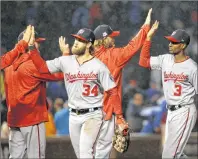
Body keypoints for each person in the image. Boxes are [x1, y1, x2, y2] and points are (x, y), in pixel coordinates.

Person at [29, 27, 121, 158]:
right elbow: (42, 68)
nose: (76, 42)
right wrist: (32, 48)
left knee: (85, 153)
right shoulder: (66, 61)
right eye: (76, 39)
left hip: (93, 114)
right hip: (73, 116)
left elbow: (113, 91)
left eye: (81, 40)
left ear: (89, 44)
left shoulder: (99, 66)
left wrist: (120, 117)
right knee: (81, 155)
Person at [88, 8, 152, 158]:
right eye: (111, 37)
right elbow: (133, 46)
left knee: (86, 152)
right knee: (101, 153)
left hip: (86, 111)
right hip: (106, 111)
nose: (113, 39)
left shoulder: (86, 58)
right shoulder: (113, 55)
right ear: (104, 39)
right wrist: (145, 27)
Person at [1, 25, 64, 158]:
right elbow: (59, 75)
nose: (37, 46)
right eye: (36, 42)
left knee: (15, 157)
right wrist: (65, 56)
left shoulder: (9, 65)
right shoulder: (32, 65)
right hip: (31, 119)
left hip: (14, 119)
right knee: (36, 156)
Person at [139, 21, 197, 159]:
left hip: (185, 110)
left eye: (174, 42)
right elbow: (143, 61)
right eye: (170, 41)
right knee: (174, 154)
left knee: (169, 155)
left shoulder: (192, 67)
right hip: (170, 111)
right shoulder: (165, 59)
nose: (170, 44)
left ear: (183, 45)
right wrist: (148, 38)